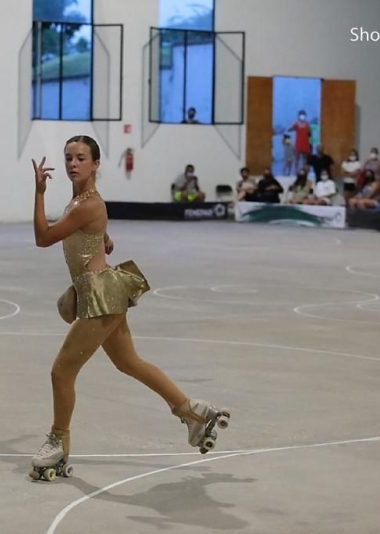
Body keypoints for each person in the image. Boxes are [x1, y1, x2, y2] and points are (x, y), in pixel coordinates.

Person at [28, 135, 230, 481]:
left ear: (95, 164)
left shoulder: (85, 205)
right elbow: (95, 237)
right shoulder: (83, 202)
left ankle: (58, 442)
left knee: (61, 372)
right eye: (68, 158)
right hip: (103, 291)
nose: (72, 164)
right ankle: (195, 413)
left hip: (99, 297)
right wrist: (101, 239)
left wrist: (39, 192)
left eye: (80, 158)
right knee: (128, 362)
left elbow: (43, 238)